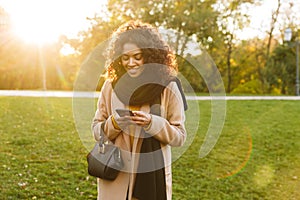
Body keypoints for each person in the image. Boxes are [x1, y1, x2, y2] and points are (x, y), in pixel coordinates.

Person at [91, 20, 187, 200]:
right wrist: (114, 123)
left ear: (150, 56)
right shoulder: (110, 86)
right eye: (125, 57)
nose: (131, 63)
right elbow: (97, 131)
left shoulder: (168, 86)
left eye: (137, 56)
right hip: (115, 178)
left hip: (151, 179)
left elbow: (179, 136)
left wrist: (152, 123)